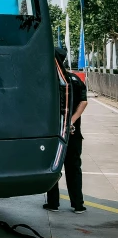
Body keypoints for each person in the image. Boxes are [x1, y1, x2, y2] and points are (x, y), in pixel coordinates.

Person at [44, 47, 88, 214]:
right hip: (74, 132)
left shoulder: (51, 81)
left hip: (55, 133)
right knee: (74, 167)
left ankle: (53, 203)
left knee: (54, 166)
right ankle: (78, 204)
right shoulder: (75, 80)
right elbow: (84, 102)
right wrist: (72, 121)